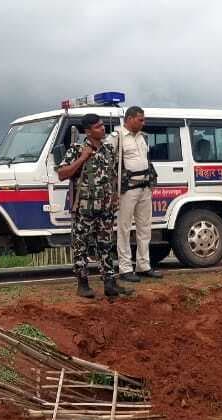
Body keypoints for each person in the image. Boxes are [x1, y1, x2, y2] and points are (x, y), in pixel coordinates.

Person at [55, 114, 132, 300]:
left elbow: (112, 175)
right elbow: (62, 174)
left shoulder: (107, 149)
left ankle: (110, 283)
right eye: (98, 127)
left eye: (102, 125)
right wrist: (82, 158)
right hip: (84, 209)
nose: (103, 128)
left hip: (105, 208)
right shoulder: (77, 149)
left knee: (106, 245)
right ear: (88, 131)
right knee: (81, 246)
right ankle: (83, 284)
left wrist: (114, 195)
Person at [109, 106, 163, 283]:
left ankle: (143, 265)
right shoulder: (116, 138)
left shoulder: (143, 137)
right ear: (130, 118)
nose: (143, 122)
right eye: (140, 119)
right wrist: (113, 190)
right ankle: (125, 268)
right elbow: (110, 165)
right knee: (124, 229)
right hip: (127, 189)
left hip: (144, 186)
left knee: (144, 228)